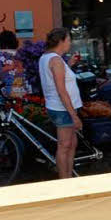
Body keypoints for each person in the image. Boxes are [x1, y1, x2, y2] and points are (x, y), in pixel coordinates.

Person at [39, 28, 83, 179]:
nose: (70, 43)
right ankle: (64, 181)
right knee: (65, 146)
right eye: (69, 40)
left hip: (60, 107)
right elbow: (61, 90)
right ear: (61, 41)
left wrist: (69, 64)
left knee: (71, 143)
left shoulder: (49, 58)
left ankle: (68, 177)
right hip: (62, 108)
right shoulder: (56, 61)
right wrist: (74, 115)